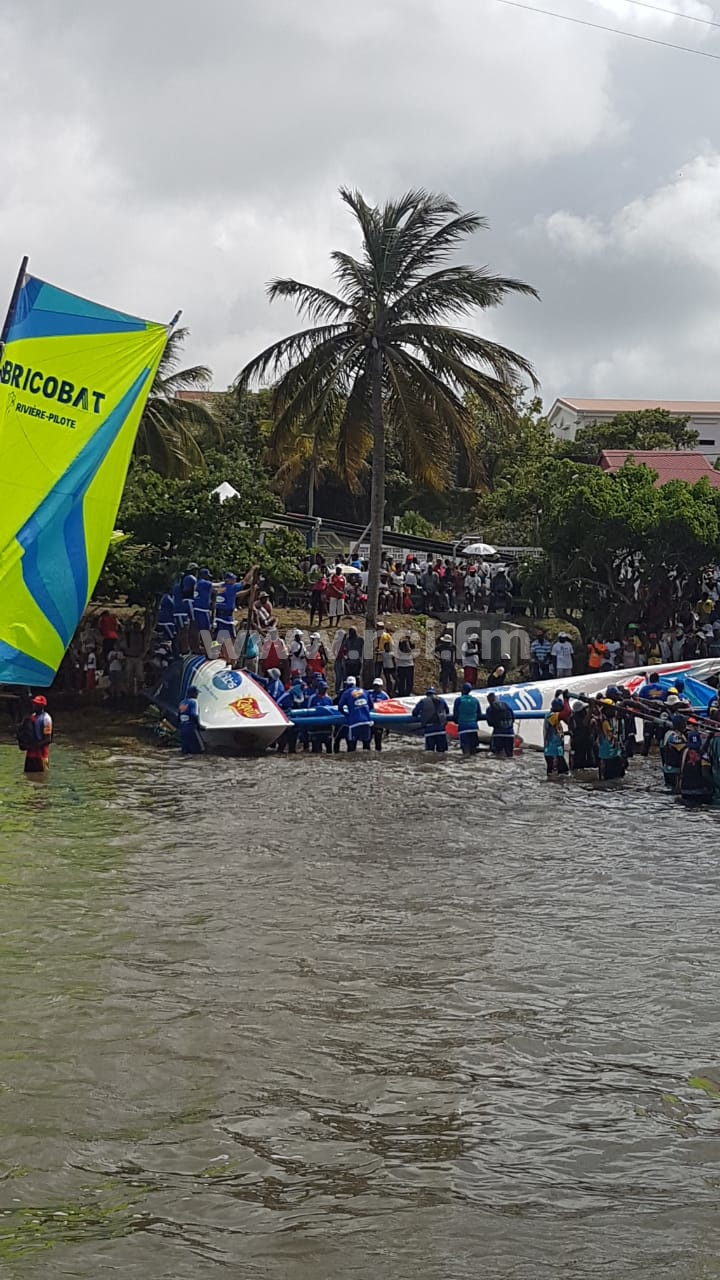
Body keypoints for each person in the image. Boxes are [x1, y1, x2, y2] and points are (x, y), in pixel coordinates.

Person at [337, 676, 373, 752]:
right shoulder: (365, 691)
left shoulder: (346, 693)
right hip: (366, 721)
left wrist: (347, 715)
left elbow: (340, 707)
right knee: (366, 747)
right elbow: (371, 706)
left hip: (354, 722)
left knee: (352, 748)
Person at [21, 695, 53, 775]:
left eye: (36, 704)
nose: (34, 705)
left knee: (41, 777)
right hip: (30, 754)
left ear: (41, 706)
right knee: (29, 777)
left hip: (41, 754)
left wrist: (32, 746)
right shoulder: (32, 717)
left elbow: (48, 739)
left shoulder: (46, 718)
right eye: (34, 703)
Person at [412, 686, 450, 753]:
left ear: (427, 694)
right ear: (435, 693)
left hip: (429, 731)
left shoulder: (423, 701)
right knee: (442, 753)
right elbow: (447, 711)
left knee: (429, 752)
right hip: (441, 730)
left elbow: (414, 712)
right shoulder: (442, 700)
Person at [452, 682, 483, 755]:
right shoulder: (475, 700)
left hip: (463, 727)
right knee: (473, 750)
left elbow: (455, 714)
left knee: (465, 750)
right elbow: (479, 714)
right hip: (473, 727)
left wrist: (457, 721)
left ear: (462, 690)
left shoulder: (458, 700)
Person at [307, 679, 335, 754]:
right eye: (323, 689)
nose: (324, 691)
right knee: (316, 752)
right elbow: (308, 711)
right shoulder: (312, 698)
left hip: (327, 729)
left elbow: (332, 711)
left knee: (329, 751)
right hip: (316, 729)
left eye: (325, 689)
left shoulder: (328, 699)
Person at [661, 714, 687, 789]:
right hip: (673, 770)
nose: (686, 725)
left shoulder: (672, 733)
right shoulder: (674, 736)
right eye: (684, 723)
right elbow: (683, 749)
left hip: (671, 768)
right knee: (674, 791)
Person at [485, 692, 515, 757]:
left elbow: (490, 723)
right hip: (510, 734)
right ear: (496, 698)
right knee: (509, 755)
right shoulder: (506, 705)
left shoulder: (489, 709)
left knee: (497, 755)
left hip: (498, 734)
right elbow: (513, 719)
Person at [544, 697, 568, 776]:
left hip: (555, 750)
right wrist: (566, 699)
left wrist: (566, 733)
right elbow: (566, 713)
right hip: (553, 751)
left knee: (562, 772)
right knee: (556, 773)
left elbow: (557, 732)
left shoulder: (553, 717)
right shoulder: (552, 716)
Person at [215, 572, 240, 647]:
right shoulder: (231, 587)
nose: (235, 580)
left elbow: (235, 595)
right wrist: (252, 570)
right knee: (232, 637)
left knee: (217, 637)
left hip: (219, 616)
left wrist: (248, 591)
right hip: (227, 618)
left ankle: (215, 651)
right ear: (228, 580)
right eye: (233, 579)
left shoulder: (221, 588)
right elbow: (244, 581)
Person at [569, 703, 596, 770]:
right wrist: (591, 709)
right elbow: (584, 724)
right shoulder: (576, 718)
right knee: (580, 762)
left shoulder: (573, 717)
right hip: (580, 742)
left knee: (587, 762)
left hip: (581, 742)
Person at [178, 684, 203, 754]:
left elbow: (179, 716)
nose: (198, 695)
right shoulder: (194, 702)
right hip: (191, 729)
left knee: (185, 752)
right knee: (198, 751)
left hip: (183, 729)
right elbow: (194, 714)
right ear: (194, 693)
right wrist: (199, 726)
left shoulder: (182, 702)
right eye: (197, 693)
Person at [369, 677, 389, 751]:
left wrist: (387, 727)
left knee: (378, 742)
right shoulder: (368, 693)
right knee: (367, 741)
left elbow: (388, 709)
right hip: (369, 720)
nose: (376, 688)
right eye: (375, 686)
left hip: (379, 721)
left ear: (381, 687)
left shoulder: (385, 696)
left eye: (378, 686)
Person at [194, 569, 214, 637]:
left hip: (195, 609)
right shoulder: (204, 583)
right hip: (202, 610)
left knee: (197, 629)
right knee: (206, 629)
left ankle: (199, 645)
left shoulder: (196, 582)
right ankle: (207, 645)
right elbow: (216, 586)